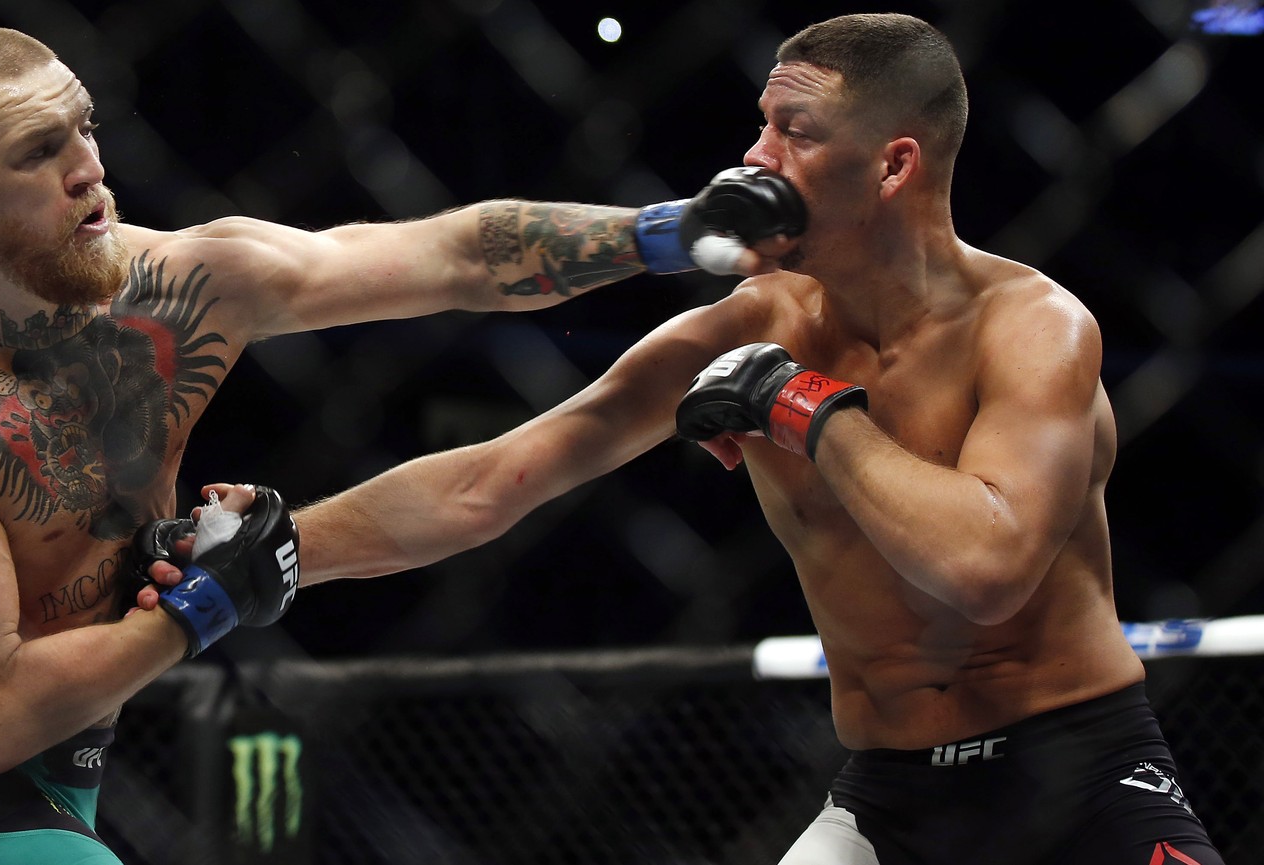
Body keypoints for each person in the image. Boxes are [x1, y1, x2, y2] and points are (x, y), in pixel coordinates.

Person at [192, 13, 1224, 865]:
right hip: (891, 799)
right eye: (759, 126)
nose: (754, 160)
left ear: (894, 163)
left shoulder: (1033, 327)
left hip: (1083, 772)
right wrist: (285, 550)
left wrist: (801, 407)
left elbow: (986, 567)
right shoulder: (745, 326)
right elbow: (498, 478)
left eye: (795, 132)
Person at [0, 26, 799, 865]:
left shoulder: (190, 281)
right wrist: (205, 604)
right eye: (38, 150)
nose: (87, 166)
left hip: (77, 771)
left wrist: (667, 233)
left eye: (84, 124)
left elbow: (454, 255)